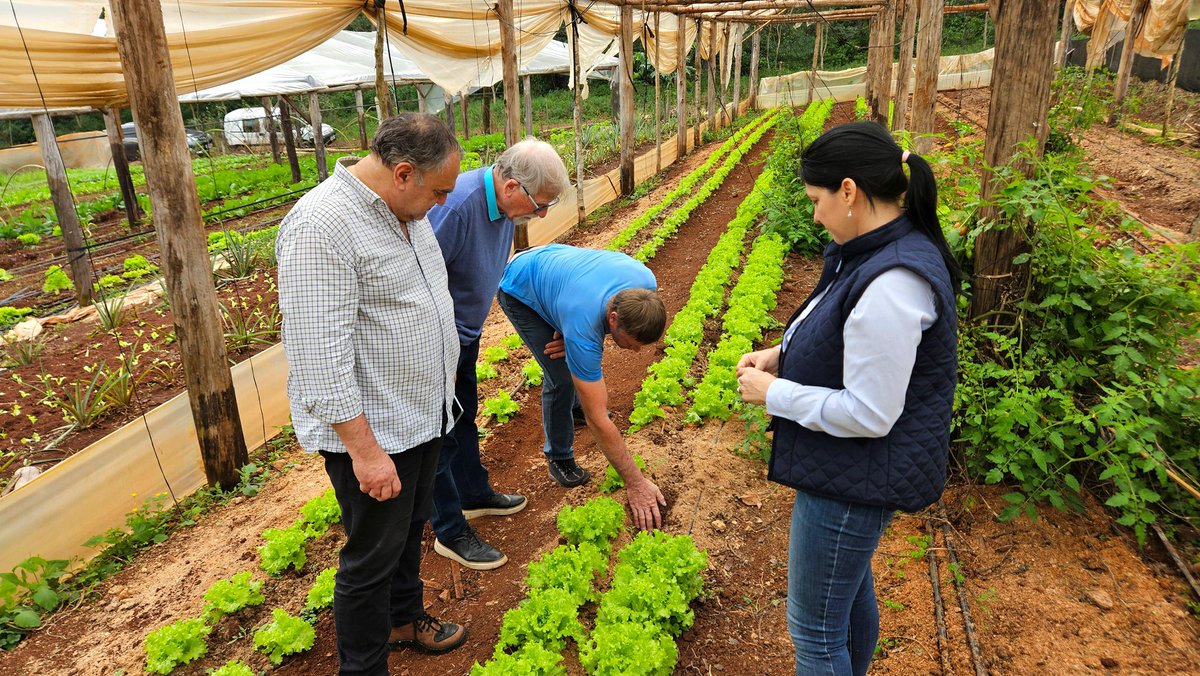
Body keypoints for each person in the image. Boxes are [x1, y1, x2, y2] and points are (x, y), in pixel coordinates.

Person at [735, 121, 961, 676]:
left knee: (814, 633)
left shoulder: (893, 280)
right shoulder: (874, 249)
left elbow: (870, 413)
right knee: (847, 598)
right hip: (851, 471)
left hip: (854, 476)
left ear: (850, 191)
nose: (814, 215)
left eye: (817, 200)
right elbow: (847, 339)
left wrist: (775, 393)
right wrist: (782, 354)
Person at [277, 113, 469, 675]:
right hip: (377, 428)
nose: (440, 203)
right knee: (370, 558)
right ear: (404, 173)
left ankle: (406, 619)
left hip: (423, 414)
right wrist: (364, 451)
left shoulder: (406, 211)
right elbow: (318, 356)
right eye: (438, 192)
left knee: (410, 530)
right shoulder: (322, 226)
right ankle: (363, 668)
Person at [426, 138, 569, 570]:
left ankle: (473, 494)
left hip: (464, 336)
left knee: (464, 415)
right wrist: (442, 354)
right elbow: (418, 283)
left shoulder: (506, 208)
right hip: (436, 342)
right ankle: (449, 530)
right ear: (511, 187)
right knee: (438, 434)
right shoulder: (456, 207)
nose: (542, 214)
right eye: (539, 204)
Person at [497, 244, 669, 531]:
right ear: (613, 320)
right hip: (520, 285)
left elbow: (587, 318)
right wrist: (635, 483)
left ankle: (573, 410)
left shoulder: (646, 283)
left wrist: (574, 333)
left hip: (563, 276)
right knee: (561, 376)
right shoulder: (582, 321)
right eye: (632, 343)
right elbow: (599, 421)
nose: (637, 352)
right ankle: (559, 456)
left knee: (576, 350)